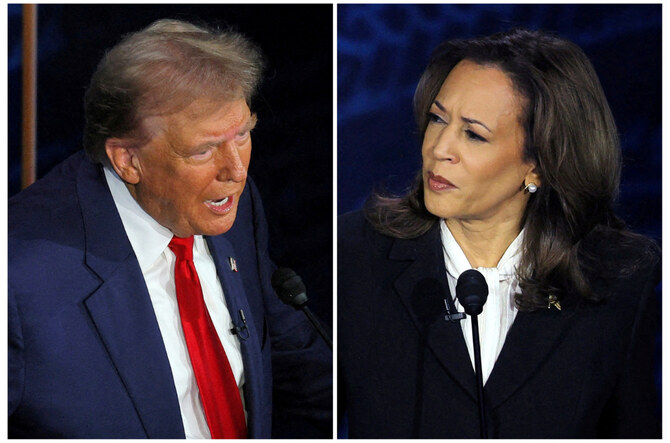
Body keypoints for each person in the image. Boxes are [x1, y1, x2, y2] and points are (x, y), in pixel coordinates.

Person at [9, 19, 332, 438]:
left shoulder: (231, 204)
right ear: (128, 160)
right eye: (203, 150)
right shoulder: (19, 278)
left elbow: (297, 367)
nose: (235, 171)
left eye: (243, 134)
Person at [338, 28, 660, 438]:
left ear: (539, 165)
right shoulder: (353, 255)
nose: (439, 148)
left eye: (473, 133)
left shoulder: (617, 281)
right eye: (438, 118)